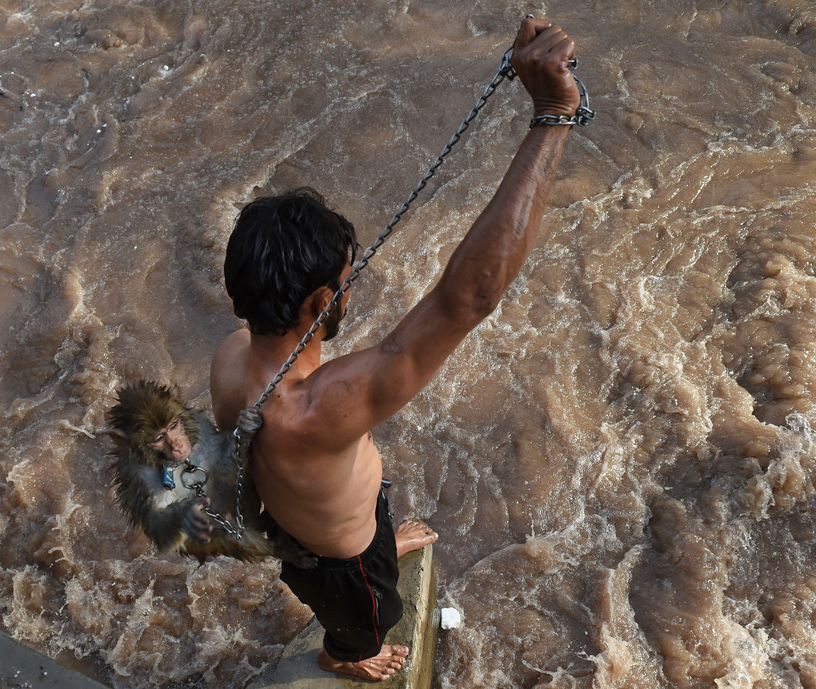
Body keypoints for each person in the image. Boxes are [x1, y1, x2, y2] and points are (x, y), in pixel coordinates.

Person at [210, 17, 582, 682]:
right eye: (345, 281)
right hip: (342, 563)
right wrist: (554, 113)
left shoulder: (233, 353)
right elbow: (466, 299)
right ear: (319, 305)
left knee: (365, 529)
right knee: (368, 616)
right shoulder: (322, 408)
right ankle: (348, 653)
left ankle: (376, 546)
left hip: (303, 529)